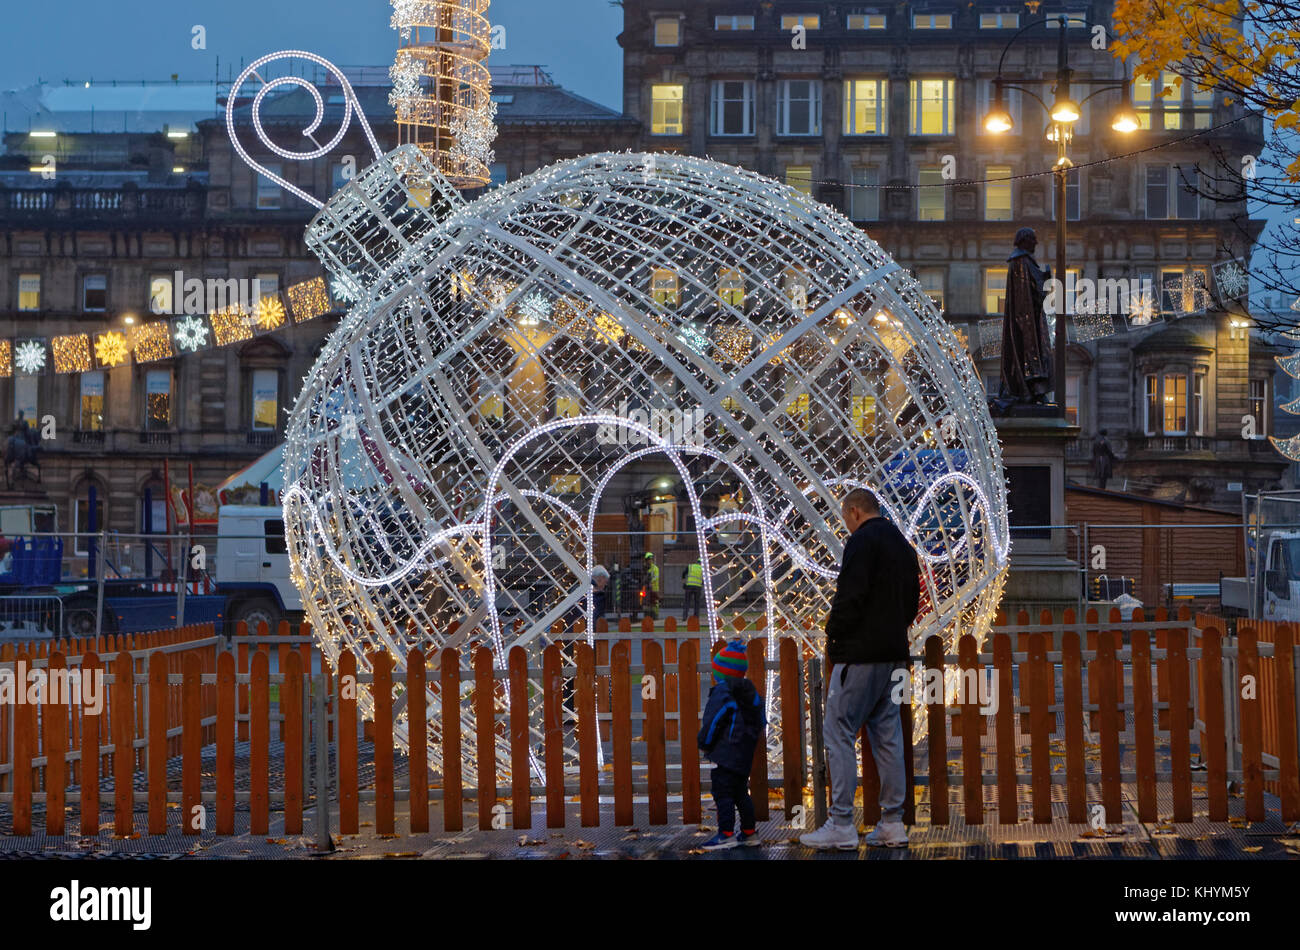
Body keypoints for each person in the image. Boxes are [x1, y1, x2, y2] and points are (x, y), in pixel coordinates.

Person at [800, 487, 920, 850]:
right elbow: (913, 601)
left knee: (838, 731)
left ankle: (840, 824)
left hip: (860, 655)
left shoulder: (862, 542)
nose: (844, 524)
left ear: (854, 511)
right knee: (888, 737)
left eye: (843, 516)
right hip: (893, 654)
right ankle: (892, 823)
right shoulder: (902, 544)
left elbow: (849, 596)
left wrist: (834, 634)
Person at [696, 639, 766, 850]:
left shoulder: (723, 692)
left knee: (722, 791)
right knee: (740, 792)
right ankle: (749, 832)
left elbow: (714, 720)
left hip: (727, 750)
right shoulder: (749, 692)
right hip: (744, 751)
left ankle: (726, 834)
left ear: (721, 673)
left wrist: (705, 742)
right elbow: (760, 720)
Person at [999, 226, 1054, 405]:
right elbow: (1026, 294)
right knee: (1032, 353)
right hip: (1027, 320)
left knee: (1038, 353)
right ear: (1024, 240)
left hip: (1030, 318)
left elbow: (1034, 287)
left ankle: (1034, 390)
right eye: (1032, 239)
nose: (1036, 243)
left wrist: (1044, 278)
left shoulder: (1025, 261)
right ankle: (1032, 389)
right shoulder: (1020, 261)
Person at [642, 551, 660, 620]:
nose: (650, 561)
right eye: (648, 559)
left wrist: (650, 582)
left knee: (655, 602)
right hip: (646, 589)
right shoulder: (645, 568)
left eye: (651, 559)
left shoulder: (655, 568)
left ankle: (655, 615)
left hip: (654, 588)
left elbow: (656, 577)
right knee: (646, 602)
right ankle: (647, 615)